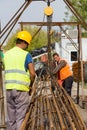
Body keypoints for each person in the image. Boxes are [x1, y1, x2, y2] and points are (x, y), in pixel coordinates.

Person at [4, 30, 36, 130]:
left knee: (11, 118)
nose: (27, 46)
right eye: (27, 44)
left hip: (9, 89)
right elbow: (32, 73)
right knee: (20, 118)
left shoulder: (7, 54)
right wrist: (30, 86)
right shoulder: (26, 54)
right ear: (24, 42)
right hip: (21, 90)